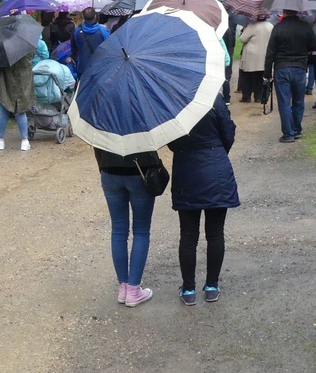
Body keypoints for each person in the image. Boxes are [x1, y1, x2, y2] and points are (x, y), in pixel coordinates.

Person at [168, 94, 240, 305]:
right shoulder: (213, 99)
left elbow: (171, 143)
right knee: (215, 233)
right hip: (216, 168)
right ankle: (211, 286)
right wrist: (215, 151)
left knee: (188, 235)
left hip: (186, 170)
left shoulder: (174, 102)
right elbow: (228, 134)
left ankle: (189, 289)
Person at [94, 148, 160, 307]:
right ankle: (133, 290)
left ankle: (123, 287)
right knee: (141, 231)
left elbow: (97, 145)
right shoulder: (143, 121)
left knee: (118, 230)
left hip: (109, 171)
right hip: (140, 171)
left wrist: (103, 166)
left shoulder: (105, 121)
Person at [264, 9, 316, 143]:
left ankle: (288, 134)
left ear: (284, 12)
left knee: (284, 102)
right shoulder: (305, 27)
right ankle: (297, 129)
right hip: (300, 67)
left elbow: (270, 52)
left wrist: (267, 73)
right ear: (297, 11)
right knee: (298, 101)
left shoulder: (278, 28)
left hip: (281, 68)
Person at [0, 51, 35, 151]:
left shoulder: (1, 48)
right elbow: (29, 61)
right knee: (20, 109)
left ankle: (0, 141)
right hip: (22, 80)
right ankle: (24, 141)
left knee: (3, 108)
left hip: (5, 80)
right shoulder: (24, 46)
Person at [238, 16, 273, 103]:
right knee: (260, 77)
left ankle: (246, 96)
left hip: (251, 55)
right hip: (264, 54)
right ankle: (259, 97)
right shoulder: (270, 26)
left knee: (247, 76)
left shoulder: (252, 26)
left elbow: (243, 39)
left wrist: (244, 30)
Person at [72, 7, 109, 77]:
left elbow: (75, 48)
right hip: (99, 68)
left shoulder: (77, 32)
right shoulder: (104, 31)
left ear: (83, 16)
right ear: (95, 16)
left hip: (82, 67)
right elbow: (109, 48)